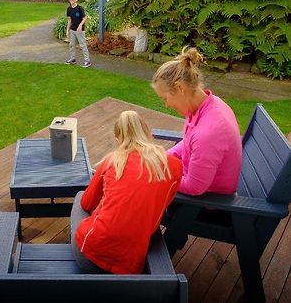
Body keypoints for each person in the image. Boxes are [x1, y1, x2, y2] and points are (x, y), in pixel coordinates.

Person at [70, 110, 182, 274]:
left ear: (119, 139)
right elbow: (160, 206)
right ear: (147, 133)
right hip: (130, 265)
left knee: (80, 196)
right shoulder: (174, 166)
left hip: (89, 255)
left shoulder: (113, 160)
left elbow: (87, 203)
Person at [151, 46, 242, 196]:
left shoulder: (208, 134)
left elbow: (194, 187)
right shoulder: (208, 105)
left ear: (180, 88)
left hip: (205, 205)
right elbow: (188, 142)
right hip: (198, 180)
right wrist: (164, 156)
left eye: (165, 98)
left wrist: (160, 177)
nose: (166, 104)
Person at [65, 0, 91, 68]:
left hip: (80, 30)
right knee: (71, 45)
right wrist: (67, 30)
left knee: (82, 45)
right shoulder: (69, 9)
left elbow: (85, 18)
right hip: (72, 30)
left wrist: (80, 25)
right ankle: (73, 59)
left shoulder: (80, 8)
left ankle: (87, 61)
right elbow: (69, 20)